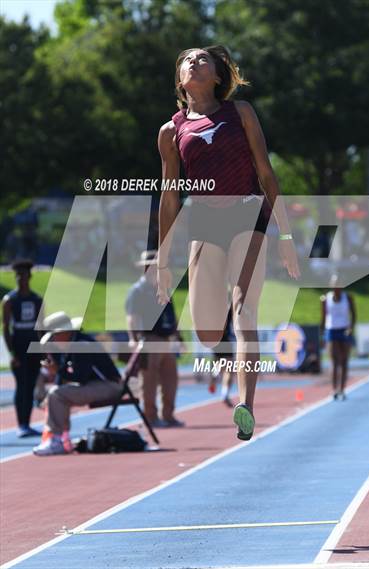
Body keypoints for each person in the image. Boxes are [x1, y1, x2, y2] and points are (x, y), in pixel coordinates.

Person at [156, 45, 300, 440]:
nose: (194, 63)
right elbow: (170, 196)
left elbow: (267, 175)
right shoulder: (171, 130)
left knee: (243, 310)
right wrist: (163, 260)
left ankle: (245, 405)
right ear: (180, 79)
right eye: (187, 60)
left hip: (246, 212)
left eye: (203, 59)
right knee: (205, 331)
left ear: (217, 76)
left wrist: (285, 234)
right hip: (202, 220)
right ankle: (229, 364)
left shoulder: (241, 113)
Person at [32, 312, 122, 456]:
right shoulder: (73, 343)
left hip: (110, 386)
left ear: (65, 332)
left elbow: (81, 378)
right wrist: (57, 373)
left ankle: (56, 439)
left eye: (54, 336)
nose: (54, 340)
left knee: (56, 393)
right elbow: (70, 379)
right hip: (102, 384)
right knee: (56, 392)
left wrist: (57, 371)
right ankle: (61, 438)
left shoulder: (81, 345)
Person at [125, 250, 184, 428]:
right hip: (149, 340)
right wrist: (133, 339)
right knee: (148, 381)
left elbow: (172, 317)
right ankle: (151, 416)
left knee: (170, 380)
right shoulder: (137, 290)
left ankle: (168, 415)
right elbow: (131, 317)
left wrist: (178, 337)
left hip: (166, 341)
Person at [2, 259, 44, 437]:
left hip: (33, 346)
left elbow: (41, 328)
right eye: (18, 275)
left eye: (24, 275)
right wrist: (11, 353)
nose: (21, 279)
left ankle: (28, 422)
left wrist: (44, 350)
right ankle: (21, 425)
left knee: (31, 385)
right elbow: (6, 328)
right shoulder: (9, 300)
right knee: (22, 385)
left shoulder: (37, 300)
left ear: (30, 277)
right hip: (18, 346)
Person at [320, 278, 356, 400]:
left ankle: (342, 389)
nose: (337, 287)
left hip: (344, 330)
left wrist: (351, 328)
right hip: (331, 330)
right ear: (331, 286)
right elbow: (323, 317)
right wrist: (322, 335)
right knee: (334, 361)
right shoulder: (325, 299)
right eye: (335, 285)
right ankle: (334, 389)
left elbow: (354, 314)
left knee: (344, 361)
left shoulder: (348, 298)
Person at [208, 307, 235, 407]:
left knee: (218, 361)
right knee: (229, 368)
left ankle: (215, 375)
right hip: (224, 337)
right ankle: (225, 393)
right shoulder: (228, 302)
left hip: (215, 337)